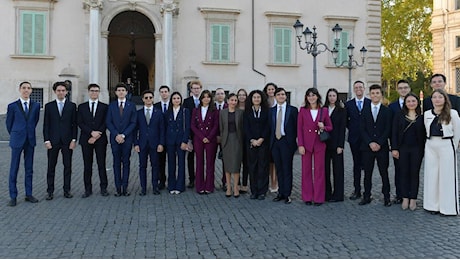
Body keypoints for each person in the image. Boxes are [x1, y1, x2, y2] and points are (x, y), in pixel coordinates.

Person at [423, 89, 460, 216]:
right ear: (431, 99)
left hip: (446, 145)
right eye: (434, 97)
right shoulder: (427, 114)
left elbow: (457, 133)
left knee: (447, 177)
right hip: (431, 145)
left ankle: (447, 208)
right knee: (431, 176)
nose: (437, 99)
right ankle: (432, 206)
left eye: (440, 97)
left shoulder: (452, 113)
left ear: (445, 99)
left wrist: (452, 148)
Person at [6, 82, 40, 206]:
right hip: (17, 139)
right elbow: (9, 124)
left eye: (28, 88)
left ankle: (28, 194)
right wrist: (16, 133)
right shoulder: (12, 106)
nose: (26, 90)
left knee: (29, 168)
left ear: (31, 90)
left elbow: (35, 121)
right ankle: (13, 196)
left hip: (30, 139)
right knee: (14, 168)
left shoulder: (36, 105)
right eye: (24, 88)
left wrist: (28, 132)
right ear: (20, 90)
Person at [297, 88, 332, 206]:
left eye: (313, 95)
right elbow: (299, 129)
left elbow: (330, 127)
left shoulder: (324, 111)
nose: (311, 97)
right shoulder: (302, 111)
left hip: (319, 143)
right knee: (306, 171)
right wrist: (300, 144)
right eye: (309, 95)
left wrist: (324, 127)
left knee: (319, 171)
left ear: (317, 97)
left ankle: (318, 198)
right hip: (306, 144)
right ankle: (307, 196)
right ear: (306, 98)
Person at [359, 84, 392, 207]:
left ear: (381, 95)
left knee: (384, 173)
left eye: (377, 93)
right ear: (370, 95)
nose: (375, 95)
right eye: (373, 93)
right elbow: (362, 129)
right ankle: (366, 195)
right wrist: (370, 142)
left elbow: (388, 129)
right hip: (367, 147)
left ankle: (387, 197)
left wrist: (379, 143)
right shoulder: (364, 110)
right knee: (367, 173)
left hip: (382, 147)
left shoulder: (387, 111)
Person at [391, 93, 425, 211]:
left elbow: (425, 135)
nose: (411, 103)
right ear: (405, 103)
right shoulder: (399, 115)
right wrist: (394, 148)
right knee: (403, 173)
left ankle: (413, 199)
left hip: (417, 149)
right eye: (409, 101)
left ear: (417, 102)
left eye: (413, 101)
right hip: (402, 149)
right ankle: (405, 197)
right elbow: (394, 133)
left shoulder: (422, 116)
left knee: (414, 174)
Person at [43, 81, 77, 200]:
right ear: (55, 92)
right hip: (53, 141)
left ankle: (67, 190)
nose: (61, 92)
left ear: (67, 92)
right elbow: (46, 124)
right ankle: (50, 191)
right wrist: (46, 140)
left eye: (63, 90)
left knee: (67, 167)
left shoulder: (72, 106)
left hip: (67, 141)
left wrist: (74, 140)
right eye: (58, 90)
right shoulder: (49, 106)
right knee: (51, 167)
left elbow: (74, 124)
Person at [77, 83, 109, 198]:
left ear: (99, 92)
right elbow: (80, 122)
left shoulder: (105, 107)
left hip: (100, 139)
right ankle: (87, 189)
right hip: (86, 139)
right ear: (88, 92)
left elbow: (106, 122)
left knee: (101, 164)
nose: (94, 92)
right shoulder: (81, 107)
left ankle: (104, 188)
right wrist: (91, 133)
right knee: (87, 165)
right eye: (92, 90)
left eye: (96, 91)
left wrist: (97, 134)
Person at [106, 83, 137, 197]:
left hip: (127, 139)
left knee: (126, 163)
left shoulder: (131, 106)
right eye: (118, 90)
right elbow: (108, 122)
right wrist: (116, 134)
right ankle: (117, 188)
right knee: (116, 163)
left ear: (126, 92)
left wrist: (123, 135)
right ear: (115, 92)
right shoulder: (112, 106)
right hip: (115, 139)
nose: (121, 92)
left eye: (123, 90)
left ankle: (125, 187)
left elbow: (133, 122)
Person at [134, 90, 165, 196]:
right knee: (142, 166)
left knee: (155, 166)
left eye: (150, 97)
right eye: (146, 98)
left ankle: (155, 186)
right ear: (142, 99)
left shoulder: (158, 113)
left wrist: (161, 143)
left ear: (153, 99)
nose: (148, 99)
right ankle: (143, 188)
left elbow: (162, 129)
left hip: (155, 144)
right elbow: (135, 130)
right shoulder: (138, 113)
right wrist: (136, 143)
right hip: (142, 144)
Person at [271, 87, 298, 204]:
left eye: (283, 94)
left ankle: (287, 194)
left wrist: (293, 142)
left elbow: (297, 127)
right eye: (278, 94)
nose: (281, 96)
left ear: (285, 96)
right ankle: (280, 192)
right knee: (279, 169)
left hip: (287, 142)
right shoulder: (271, 111)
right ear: (275, 97)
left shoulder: (292, 110)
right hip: (275, 142)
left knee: (287, 168)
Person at [345, 80, 371, 200]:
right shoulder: (348, 104)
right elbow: (346, 121)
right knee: (356, 165)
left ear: (364, 88)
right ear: (354, 90)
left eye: (360, 87)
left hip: (367, 140)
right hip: (354, 139)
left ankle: (367, 191)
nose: (358, 89)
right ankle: (357, 190)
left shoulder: (370, 103)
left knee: (367, 165)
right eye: (356, 87)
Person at [191, 90, 219, 194]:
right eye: (204, 97)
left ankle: (209, 186)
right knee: (199, 162)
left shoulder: (214, 111)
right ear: (201, 99)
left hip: (210, 139)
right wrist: (202, 137)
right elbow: (193, 125)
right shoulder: (195, 110)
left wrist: (209, 137)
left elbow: (216, 126)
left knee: (210, 163)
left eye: (208, 97)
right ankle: (199, 186)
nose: (206, 99)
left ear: (211, 99)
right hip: (199, 139)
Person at [244, 90, 270, 200]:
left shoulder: (266, 111)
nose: (256, 99)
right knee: (252, 167)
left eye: (258, 97)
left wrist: (261, 139)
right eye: (254, 97)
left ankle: (262, 191)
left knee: (263, 167)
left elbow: (268, 126)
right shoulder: (247, 112)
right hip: (251, 143)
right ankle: (254, 191)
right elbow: (246, 127)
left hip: (263, 143)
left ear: (261, 98)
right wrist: (252, 140)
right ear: (251, 99)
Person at [388, 79, 411, 205]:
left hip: (412, 145)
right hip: (398, 144)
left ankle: (410, 194)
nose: (403, 90)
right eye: (401, 88)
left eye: (405, 87)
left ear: (409, 89)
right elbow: (391, 128)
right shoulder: (392, 107)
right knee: (399, 170)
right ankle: (399, 194)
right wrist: (393, 146)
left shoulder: (415, 104)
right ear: (397, 90)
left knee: (411, 170)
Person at [165, 92, 190, 194]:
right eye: (174, 98)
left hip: (181, 141)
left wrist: (185, 141)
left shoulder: (185, 111)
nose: (176, 100)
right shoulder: (168, 111)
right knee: (171, 163)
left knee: (181, 163)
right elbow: (165, 126)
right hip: (170, 141)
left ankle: (180, 186)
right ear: (171, 100)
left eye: (178, 98)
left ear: (181, 100)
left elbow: (187, 127)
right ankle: (171, 185)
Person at [324, 88, 347, 202]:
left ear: (337, 97)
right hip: (324, 144)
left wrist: (341, 145)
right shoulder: (323, 109)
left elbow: (342, 129)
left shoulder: (341, 110)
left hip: (337, 144)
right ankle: (327, 194)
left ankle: (338, 195)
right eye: (330, 95)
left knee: (338, 170)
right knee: (325, 170)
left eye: (334, 95)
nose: (332, 98)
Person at [220, 93, 244, 197]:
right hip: (226, 140)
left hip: (237, 140)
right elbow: (221, 128)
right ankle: (228, 187)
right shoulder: (222, 113)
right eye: (232, 100)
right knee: (227, 165)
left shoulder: (240, 113)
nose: (233, 102)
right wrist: (222, 140)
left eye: (235, 100)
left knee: (236, 164)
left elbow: (242, 128)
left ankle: (236, 187)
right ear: (228, 101)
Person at [183, 80, 202, 188]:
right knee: (190, 157)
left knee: (200, 157)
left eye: (198, 88)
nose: (196, 90)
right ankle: (191, 179)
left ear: (200, 89)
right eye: (194, 88)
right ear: (191, 89)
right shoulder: (186, 101)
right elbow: (186, 119)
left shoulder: (204, 100)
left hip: (202, 133)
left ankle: (200, 178)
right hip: (191, 133)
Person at [154, 85, 170, 190]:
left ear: (169, 93)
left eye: (165, 91)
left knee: (173, 160)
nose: (164, 93)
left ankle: (172, 180)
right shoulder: (156, 106)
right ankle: (162, 180)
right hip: (160, 138)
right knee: (160, 160)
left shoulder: (174, 104)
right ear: (160, 93)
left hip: (172, 138)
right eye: (162, 92)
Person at [263, 82, 278, 193]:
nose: (271, 91)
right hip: (268, 134)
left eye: (273, 89)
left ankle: (275, 182)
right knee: (269, 161)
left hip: (277, 134)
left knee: (276, 160)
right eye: (269, 89)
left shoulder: (279, 101)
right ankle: (269, 180)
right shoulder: (264, 103)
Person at [214, 88, 228, 190]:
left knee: (225, 161)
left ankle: (225, 182)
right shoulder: (211, 107)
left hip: (226, 137)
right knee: (210, 160)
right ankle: (211, 181)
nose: (220, 95)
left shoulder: (229, 106)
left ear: (224, 95)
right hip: (213, 137)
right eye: (218, 94)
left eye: (222, 93)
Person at [237, 88, 249, 194]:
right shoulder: (234, 108)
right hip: (236, 138)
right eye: (240, 95)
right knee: (237, 162)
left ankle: (244, 184)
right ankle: (237, 183)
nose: (242, 97)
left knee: (246, 162)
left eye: (243, 95)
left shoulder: (249, 108)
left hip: (247, 138)